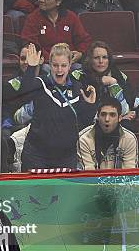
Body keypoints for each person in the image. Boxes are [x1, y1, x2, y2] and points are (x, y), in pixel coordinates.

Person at [10, 43, 97, 171]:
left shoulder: (78, 88)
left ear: (70, 66)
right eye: (55, 65)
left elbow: (84, 122)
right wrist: (31, 68)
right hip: (36, 156)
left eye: (63, 65)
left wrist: (90, 106)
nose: (59, 70)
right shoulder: (41, 83)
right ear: (49, 65)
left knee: (64, 192)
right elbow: (24, 93)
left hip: (66, 157)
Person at [20, 0, 92, 67]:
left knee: (79, 69)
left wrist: (80, 53)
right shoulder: (33, 18)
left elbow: (84, 40)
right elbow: (31, 43)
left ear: (58, 1)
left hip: (69, 63)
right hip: (45, 63)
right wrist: (52, 59)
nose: (41, 0)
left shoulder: (71, 17)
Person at [72, 41, 134, 120]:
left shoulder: (119, 76)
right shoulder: (78, 76)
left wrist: (113, 83)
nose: (101, 61)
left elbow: (125, 109)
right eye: (96, 58)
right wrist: (98, 81)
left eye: (104, 57)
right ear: (90, 59)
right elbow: (81, 112)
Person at [77, 96, 138, 170]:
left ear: (120, 118)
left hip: (119, 181)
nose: (107, 119)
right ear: (97, 116)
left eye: (112, 115)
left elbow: (129, 173)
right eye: (103, 114)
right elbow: (88, 173)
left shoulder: (129, 139)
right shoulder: (84, 139)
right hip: (93, 181)